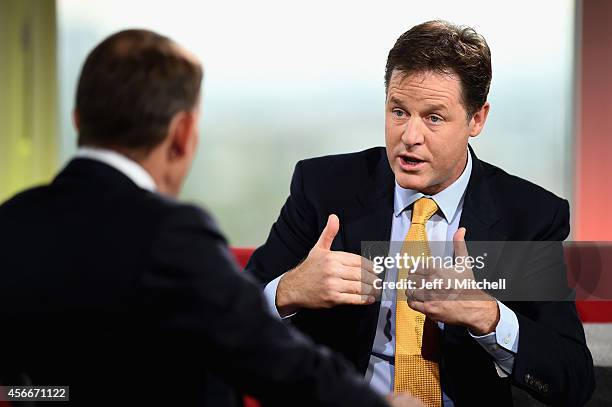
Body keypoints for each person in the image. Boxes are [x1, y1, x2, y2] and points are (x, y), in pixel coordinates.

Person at [0, 29, 422, 407]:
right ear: (183, 134)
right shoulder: (169, 233)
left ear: (79, 121)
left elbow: (16, 390)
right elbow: (271, 358)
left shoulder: (12, 220)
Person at [245, 21, 595, 406]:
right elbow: (231, 316)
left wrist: (487, 316)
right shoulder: (323, 188)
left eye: (433, 117)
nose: (409, 136)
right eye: (399, 111)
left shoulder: (527, 217)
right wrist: (289, 291)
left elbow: (573, 380)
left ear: (476, 119)